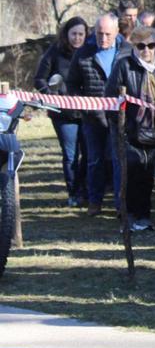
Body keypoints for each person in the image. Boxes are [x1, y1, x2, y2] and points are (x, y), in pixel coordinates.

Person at [105, 26, 155, 231]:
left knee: (147, 175)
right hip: (129, 131)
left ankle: (144, 216)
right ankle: (128, 217)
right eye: (141, 46)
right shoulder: (123, 66)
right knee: (131, 174)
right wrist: (123, 127)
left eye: (151, 45)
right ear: (134, 46)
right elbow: (111, 99)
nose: (146, 50)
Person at [66, 14, 131, 216]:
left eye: (108, 34)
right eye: (99, 34)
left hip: (120, 116)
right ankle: (95, 201)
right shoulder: (83, 53)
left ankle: (120, 205)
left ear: (117, 32)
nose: (103, 38)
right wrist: (84, 105)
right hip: (92, 117)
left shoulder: (127, 51)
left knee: (118, 161)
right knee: (94, 161)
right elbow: (72, 84)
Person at [34, 16, 89, 207]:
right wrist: (51, 95)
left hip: (88, 111)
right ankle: (73, 193)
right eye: (74, 34)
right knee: (70, 155)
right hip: (63, 114)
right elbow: (39, 79)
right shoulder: (55, 52)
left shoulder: (89, 52)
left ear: (86, 35)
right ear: (66, 34)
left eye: (81, 34)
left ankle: (85, 190)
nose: (77, 38)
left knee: (89, 154)